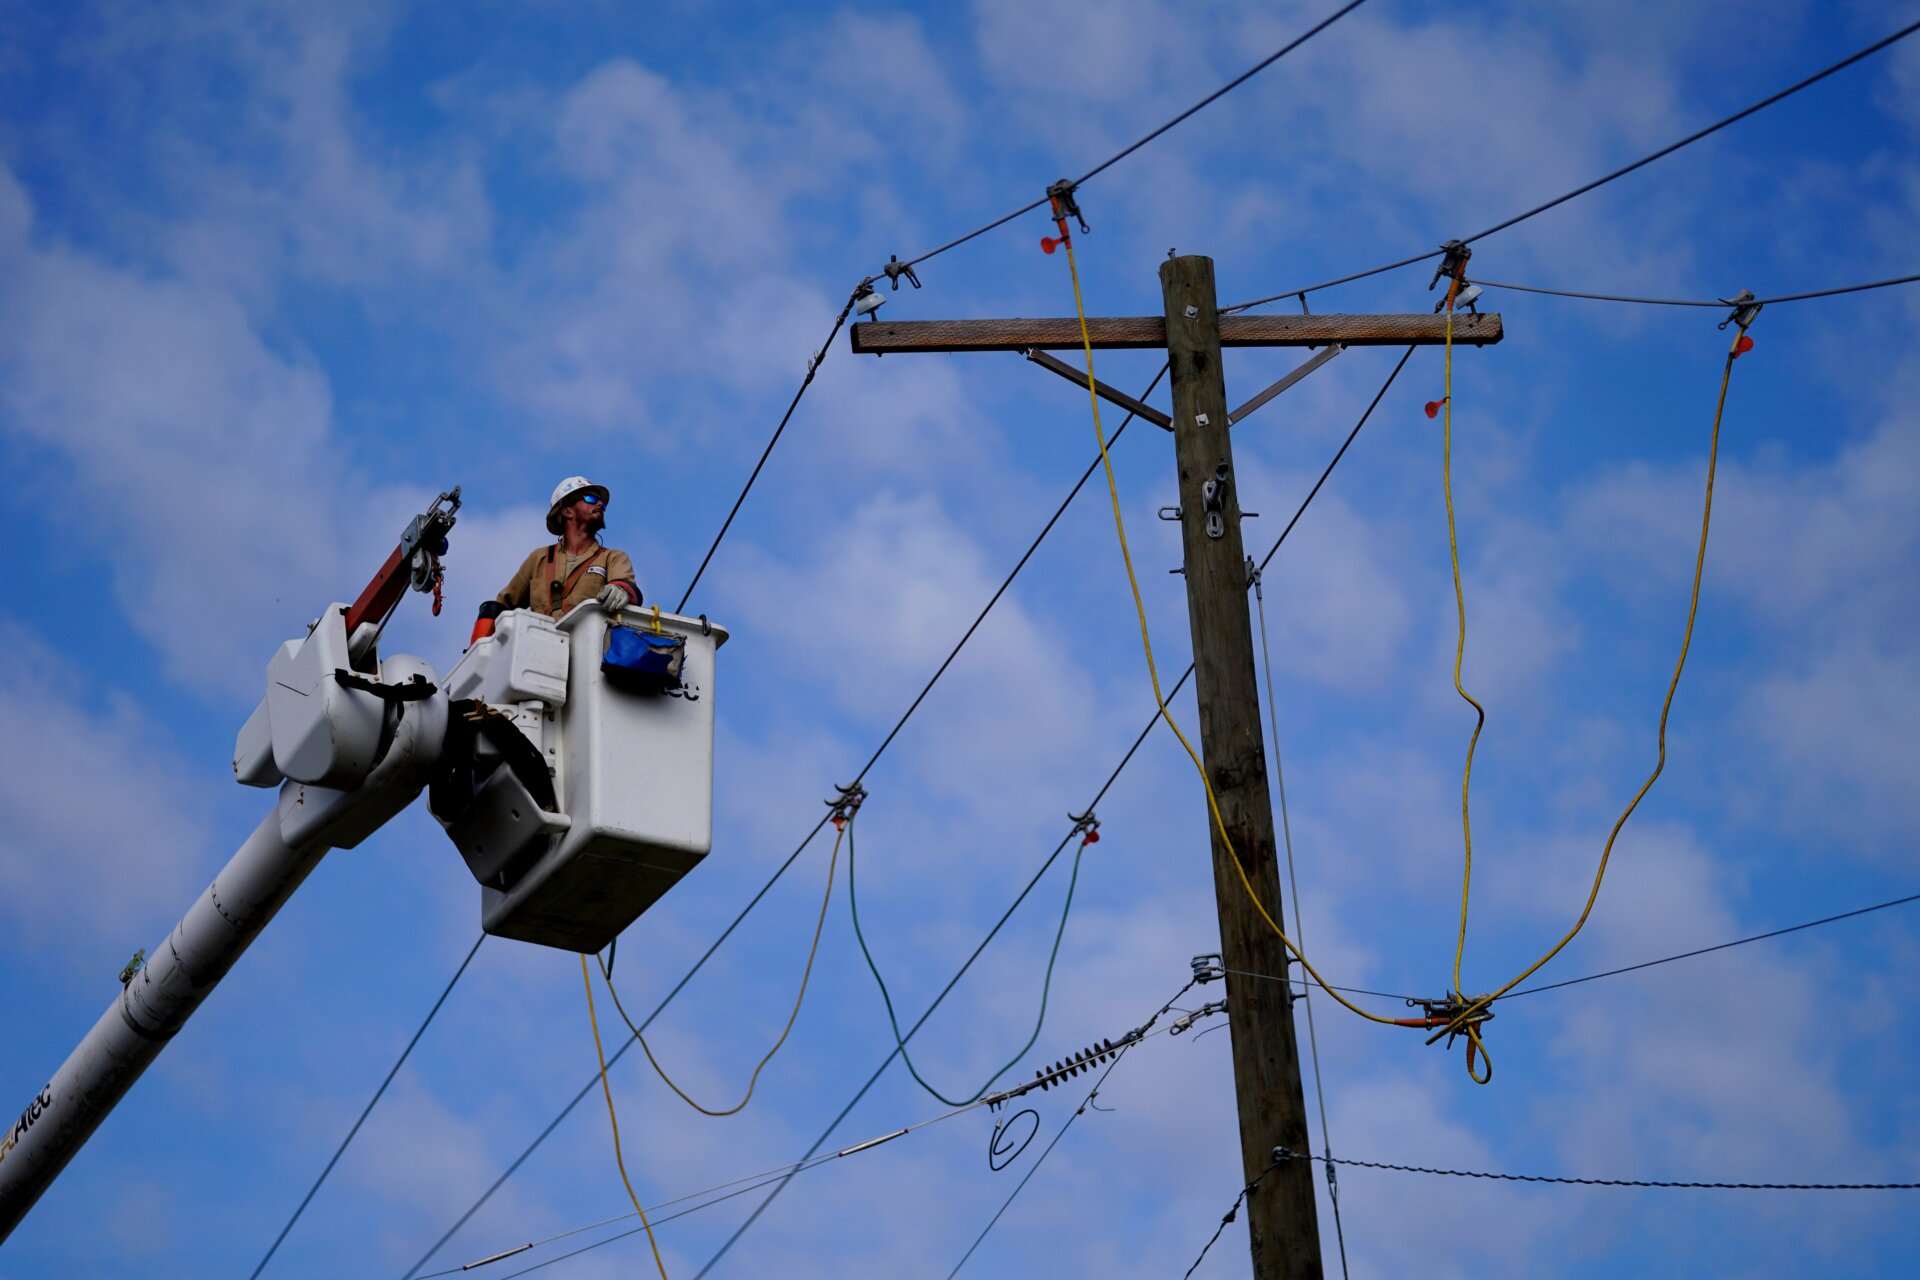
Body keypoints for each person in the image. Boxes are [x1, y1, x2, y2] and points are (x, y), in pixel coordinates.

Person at [492, 475, 641, 620]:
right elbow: (500, 607)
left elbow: (627, 585)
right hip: (540, 643)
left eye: (602, 503)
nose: (599, 505)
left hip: (589, 643)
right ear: (567, 511)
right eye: (591, 499)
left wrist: (622, 590)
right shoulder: (539, 559)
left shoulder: (612, 558)